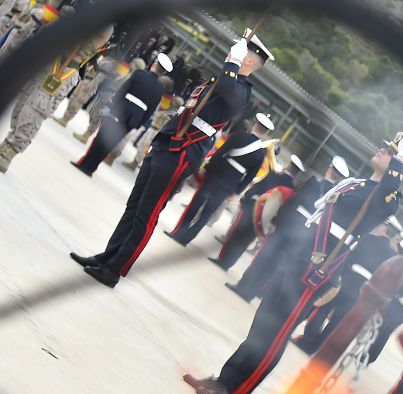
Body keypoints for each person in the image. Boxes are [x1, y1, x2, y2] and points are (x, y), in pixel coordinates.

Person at [181, 132, 403, 394]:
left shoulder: (385, 199)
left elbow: (389, 190)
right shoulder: (359, 185)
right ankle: (225, 380)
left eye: (390, 152)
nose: (381, 149)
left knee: (275, 333)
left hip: (316, 268)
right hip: (299, 257)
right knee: (262, 325)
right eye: (386, 146)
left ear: (399, 169)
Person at [69, 32, 271, 287]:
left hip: (184, 152)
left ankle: (115, 269)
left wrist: (233, 64)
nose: (231, 54)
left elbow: (228, 90)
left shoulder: (241, 91)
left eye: (239, 53)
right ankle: (107, 257)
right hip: (170, 142)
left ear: (249, 62)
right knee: (135, 205)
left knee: (147, 213)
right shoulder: (224, 80)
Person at [0, 8, 110, 173]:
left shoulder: (106, 22)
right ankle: (8, 142)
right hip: (50, 60)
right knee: (23, 103)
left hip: (64, 69)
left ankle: (10, 150)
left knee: (36, 109)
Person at [227, 156, 349, 301]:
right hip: (305, 235)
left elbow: (294, 202)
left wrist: (275, 220)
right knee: (275, 264)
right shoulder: (336, 197)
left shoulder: (312, 182)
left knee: (263, 257)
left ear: (329, 169)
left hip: (288, 225)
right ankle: (252, 293)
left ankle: (243, 287)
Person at [293, 221, 402, 354]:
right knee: (337, 321)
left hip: (346, 279)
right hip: (362, 290)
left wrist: (339, 273)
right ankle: (315, 347)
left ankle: (307, 340)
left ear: (385, 228)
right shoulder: (391, 257)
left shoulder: (367, 238)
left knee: (323, 309)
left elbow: (349, 256)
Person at [165, 113, 274, 245]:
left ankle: (179, 233)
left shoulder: (239, 135)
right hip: (230, 185)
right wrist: (236, 191)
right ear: (265, 132)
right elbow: (250, 176)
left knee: (195, 205)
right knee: (207, 213)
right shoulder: (261, 153)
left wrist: (207, 169)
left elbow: (220, 153)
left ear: (255, 124)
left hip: (216, 175)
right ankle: (186, 239)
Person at [71, 53, 172, 176]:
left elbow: (123, 91)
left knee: (100, 139)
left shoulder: (139, 74)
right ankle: (91, 168)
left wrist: (111, 107)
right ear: (163, 73)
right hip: (132, 120)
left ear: (155, 64)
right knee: (110, 144)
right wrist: (137, 124)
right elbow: (150, 111)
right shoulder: (159, 89)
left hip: (120, 111)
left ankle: (85, 164)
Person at [210, 154, 302, 270]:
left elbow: (257, 187)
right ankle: (228, 264)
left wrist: (245, 199)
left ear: (288, 166)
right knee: (245, 241)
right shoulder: (292, 188)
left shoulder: (274, 174)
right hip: (265, 218)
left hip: (251, 208)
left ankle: (222, 259)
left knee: (234, 234)